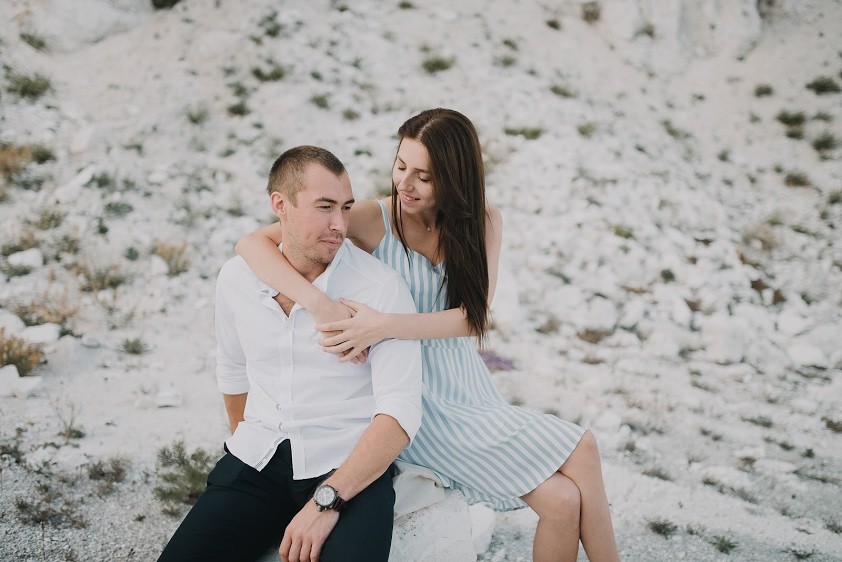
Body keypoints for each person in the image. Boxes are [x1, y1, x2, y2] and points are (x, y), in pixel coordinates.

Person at [236, 109, 620, 562]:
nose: (406, 183)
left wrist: (385, 324)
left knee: (564, 500)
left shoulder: (484, 221)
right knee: (583, 447)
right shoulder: (375, 218)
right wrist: (320, 306)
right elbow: (251, 244)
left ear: (455, 178)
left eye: (424, 176)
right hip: (418, 399)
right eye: (401, 166)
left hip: (469, 390)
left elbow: (472, 319)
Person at [158, 146, 422, 562]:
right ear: (280, 205)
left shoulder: (379, 288)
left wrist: (326, 500)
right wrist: (245, 443)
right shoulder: (236, 278)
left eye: (346, 208)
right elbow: (233, 370)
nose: (340, 225)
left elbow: (400, 413)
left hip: (346, 467)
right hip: (257, 462)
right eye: (325, 207)